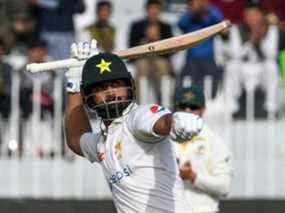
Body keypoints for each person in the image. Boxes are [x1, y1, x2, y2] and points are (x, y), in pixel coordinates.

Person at [64, 40, 204, 213]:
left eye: (115, 84)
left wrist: (175, 122)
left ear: (130, 85)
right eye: (101, 87)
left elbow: (160, 122)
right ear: (87, 95)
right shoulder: (102, 143)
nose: (110, 92)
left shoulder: (136, 119)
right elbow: (74, 139)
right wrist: (73, 81)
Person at [173, 85, 233, 213]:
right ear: (175, 109)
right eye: (183, 107)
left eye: (193, 107)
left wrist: (193, 177)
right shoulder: (164, 141)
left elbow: (225, 186)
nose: (188, 111)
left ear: (203, 110)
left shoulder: (215, 142)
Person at [128, 0, 173, 103]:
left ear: (159, 10)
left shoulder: (166, 27)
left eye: (155, 9)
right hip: (142, 58)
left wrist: (158, 40)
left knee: (162, 68)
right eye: (151, 9)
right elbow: (131, 47)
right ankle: (139, 104)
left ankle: (163, 102)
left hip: (160, 58)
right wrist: (145, 39)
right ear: (146, 10)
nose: (153, 11)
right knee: (141, 68)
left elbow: (171, 49)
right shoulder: (137, 26)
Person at [177, 0, 223, 98]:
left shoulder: (209, 20)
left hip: (208, 58)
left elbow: (220, 22)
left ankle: (212, 101)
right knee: (184, 81)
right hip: (191, 58)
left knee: (215, 79)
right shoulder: (189, 19)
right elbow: (180, 24)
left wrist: (206, 7)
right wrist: (192, 10)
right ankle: (183, 102)